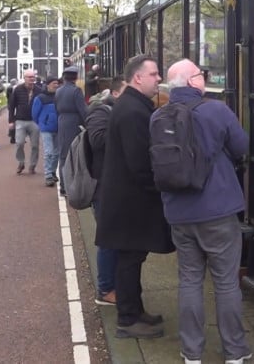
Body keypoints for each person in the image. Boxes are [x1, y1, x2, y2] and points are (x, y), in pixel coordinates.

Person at [155, 59, 251, 364]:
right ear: (192, 81)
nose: (203, 78)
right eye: (200, 74)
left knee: (189, 281)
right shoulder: (216, 110)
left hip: (179, 213)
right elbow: (241, 146)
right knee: (226, 282)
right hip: (218, 210)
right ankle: (235, 352)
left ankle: (191, 353)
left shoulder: (157, 116)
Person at [94, 54, 171, 340]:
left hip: (125, 199)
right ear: (138, 78)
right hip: (131, 201)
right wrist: (160, 187)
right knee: (129, 260)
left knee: (132, 258)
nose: (159, 78)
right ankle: (127, 319)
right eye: (154, 74)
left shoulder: (130, 106)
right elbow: (139, 162)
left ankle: (135, 311)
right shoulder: (133, 111)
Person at [86, 76, 125, 306]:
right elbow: (98, 140)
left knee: (116, 238)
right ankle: (105, 289)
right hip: (103, 186)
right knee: (108, 239)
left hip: (115, 185)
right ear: (116, 93)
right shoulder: (100, 111)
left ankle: (115, 285)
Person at [55, 65, 88, 195]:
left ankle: (63, 185)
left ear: (64, 78)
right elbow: (83, 110)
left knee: (63, 155)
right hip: (73, 122)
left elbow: (56, 107)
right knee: (73, 154)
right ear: (76, 77)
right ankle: (69, 186)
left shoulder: (58, 91)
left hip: (62, 121)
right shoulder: (76, 91)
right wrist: (88, 125)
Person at [8, 70, 41, 175]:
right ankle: (21, 162)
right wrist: (11, 121)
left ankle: (32, 165)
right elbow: (12, 106)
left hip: (34, 121)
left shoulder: (39, 90)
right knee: (19, 143)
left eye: (33, 77)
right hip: (20, 120)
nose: (31, 79)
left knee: (35, 145)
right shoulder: (18, 89)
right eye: (29, 77)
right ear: (24, 78)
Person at [31, 75, 60, 187]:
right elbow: (34, 114)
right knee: (49, 152)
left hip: (58, 128)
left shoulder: (59, 96)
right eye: (54, 83)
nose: (56, 85)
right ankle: (48, 175)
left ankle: (52, 172)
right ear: (48, 85)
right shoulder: (40, 98)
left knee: (56, 153)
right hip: (46, 128)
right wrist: (42, 123)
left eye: (57, 83)